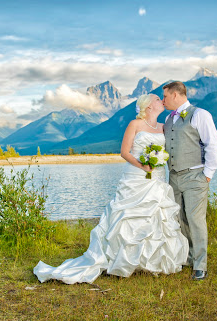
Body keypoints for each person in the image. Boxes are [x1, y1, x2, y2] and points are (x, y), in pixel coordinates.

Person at [33, 93, 189, 284]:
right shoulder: (135, 124)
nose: (161, 101)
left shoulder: (164, 127)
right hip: (137, 176)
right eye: (158, 99)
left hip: (157, 177)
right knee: (129, 216)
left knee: (157, 216)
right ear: (148, 106)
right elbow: (124, 152)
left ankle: (153, 262)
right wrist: (143, 165)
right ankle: (123, 260)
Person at [162, 81, 217, 281]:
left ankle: (200, 265)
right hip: (174, 177)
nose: (163, 101)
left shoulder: (200, 115)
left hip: (195, 176)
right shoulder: (169, 119)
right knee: (180, 219)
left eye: (166, 97)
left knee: (196, 220)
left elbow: (213, 145)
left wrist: (207, 174)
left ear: (176, 95)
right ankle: (188, 257)